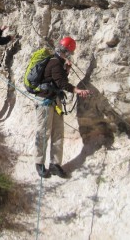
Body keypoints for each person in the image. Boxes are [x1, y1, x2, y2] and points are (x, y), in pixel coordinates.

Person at [34, 37, 92, 178]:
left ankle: (55, 164)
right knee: (44, 132)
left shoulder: (58, 63)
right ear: (67, 51)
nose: (68, 54)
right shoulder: (54, 63)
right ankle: (39, 163)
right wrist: (77, 91)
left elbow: (58, 80)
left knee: (58, 131)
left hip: (54, 101)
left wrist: (66, 70)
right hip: (45, 101)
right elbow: (61, 83)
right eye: (69, 52)